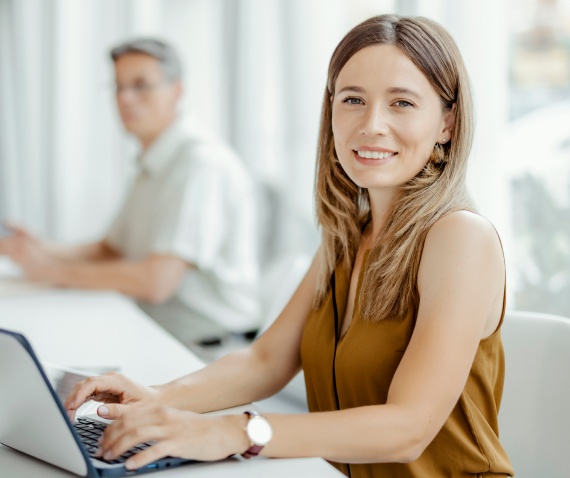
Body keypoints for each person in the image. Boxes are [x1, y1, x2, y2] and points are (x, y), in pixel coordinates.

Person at [64, 15, 514, 477]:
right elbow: (266, 361)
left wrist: (236, 431)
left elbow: (408, 428)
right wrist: (158, 397)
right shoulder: (347, 235)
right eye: (353, 99)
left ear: (447, 123)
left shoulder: (461, 238)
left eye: (401, 102)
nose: (372, 124)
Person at [0, 39, 260, 344]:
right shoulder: (153, 160)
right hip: (159, 331)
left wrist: (48, 269)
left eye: (140, 85)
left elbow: (155, 282)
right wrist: (38, 248)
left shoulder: (199, 164)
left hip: (206, 347)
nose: (125, 98)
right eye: (118, 86)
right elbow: (109, 250)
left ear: (176, 91)